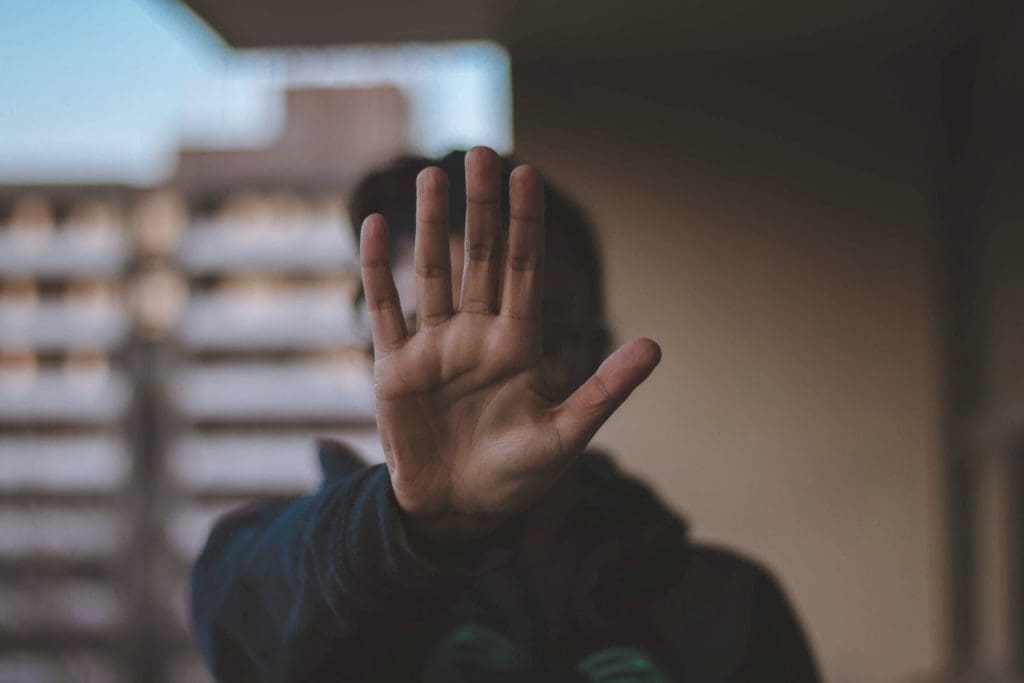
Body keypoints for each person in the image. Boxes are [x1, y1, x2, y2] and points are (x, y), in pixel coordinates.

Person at [190, 147, 820, 682]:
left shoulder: (726, 608)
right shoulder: (298, 575)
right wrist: (418, 527)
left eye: (533, 332)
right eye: (431, 335)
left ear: (597, 350)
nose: (481, 375)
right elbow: (239, 617)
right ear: (372, 359)